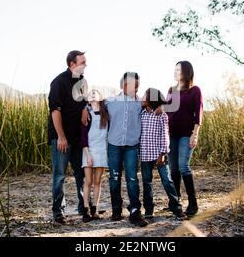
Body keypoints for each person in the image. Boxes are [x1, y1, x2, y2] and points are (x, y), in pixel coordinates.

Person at [83, 72, 148, 227]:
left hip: (132, 145)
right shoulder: (110, 101)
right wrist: (85, 108)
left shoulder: (140, 102)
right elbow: (93, 102)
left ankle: (135, 211)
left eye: (138, 85)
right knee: (114, 178)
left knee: (132, 178)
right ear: (124, 85)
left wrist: (159, 107)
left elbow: (159, 103)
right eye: (134, 85)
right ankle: (116, 210)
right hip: (114, 146)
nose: (137, 88)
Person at [48, 50, 88, 224]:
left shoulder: (82, 81)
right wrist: (61, 137)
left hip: (77, 137)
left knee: (81, 174)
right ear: (72, 64)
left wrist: (85, 109)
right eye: (83, 62)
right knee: (59, 176)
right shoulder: (58, 82)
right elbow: (55, 111)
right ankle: (58, 211)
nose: (86, 65)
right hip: (61, 138)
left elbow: (84, 102)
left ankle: (83, 208)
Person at [139, 88, 187, 220]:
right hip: (145, 154)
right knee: (147, 182)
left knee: (167, 181)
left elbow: (165, 135)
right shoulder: (141, 114)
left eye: (145, 95)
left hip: (159, 154)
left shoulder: (161, 115)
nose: (142, 98)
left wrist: (163, 153)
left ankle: (176, 207)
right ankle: (148, 209)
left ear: (151, 99)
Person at [165, 61, 203, 217]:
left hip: (186, 134)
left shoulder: (195, 90)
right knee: (173, 169)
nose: (175, 72)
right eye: (174, 69)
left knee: (183, 166)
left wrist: (195, 134)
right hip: (171, 134)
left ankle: (193, 203)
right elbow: (166, 111)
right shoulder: (171, 90)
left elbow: (199, 113)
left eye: (178, 69)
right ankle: (176, 202)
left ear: (186, 72)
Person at [80, 89, 109, 223]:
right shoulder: (86, 112)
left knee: (97, 181)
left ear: (100, 97)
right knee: (88, 181)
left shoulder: (105, 113)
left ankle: (95, 210)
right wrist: (87, 154)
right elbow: (83, 135)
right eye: (90, 92)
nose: (92, 93)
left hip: (101, 150)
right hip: (88, 150)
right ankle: (85, 210)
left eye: (95, 92)